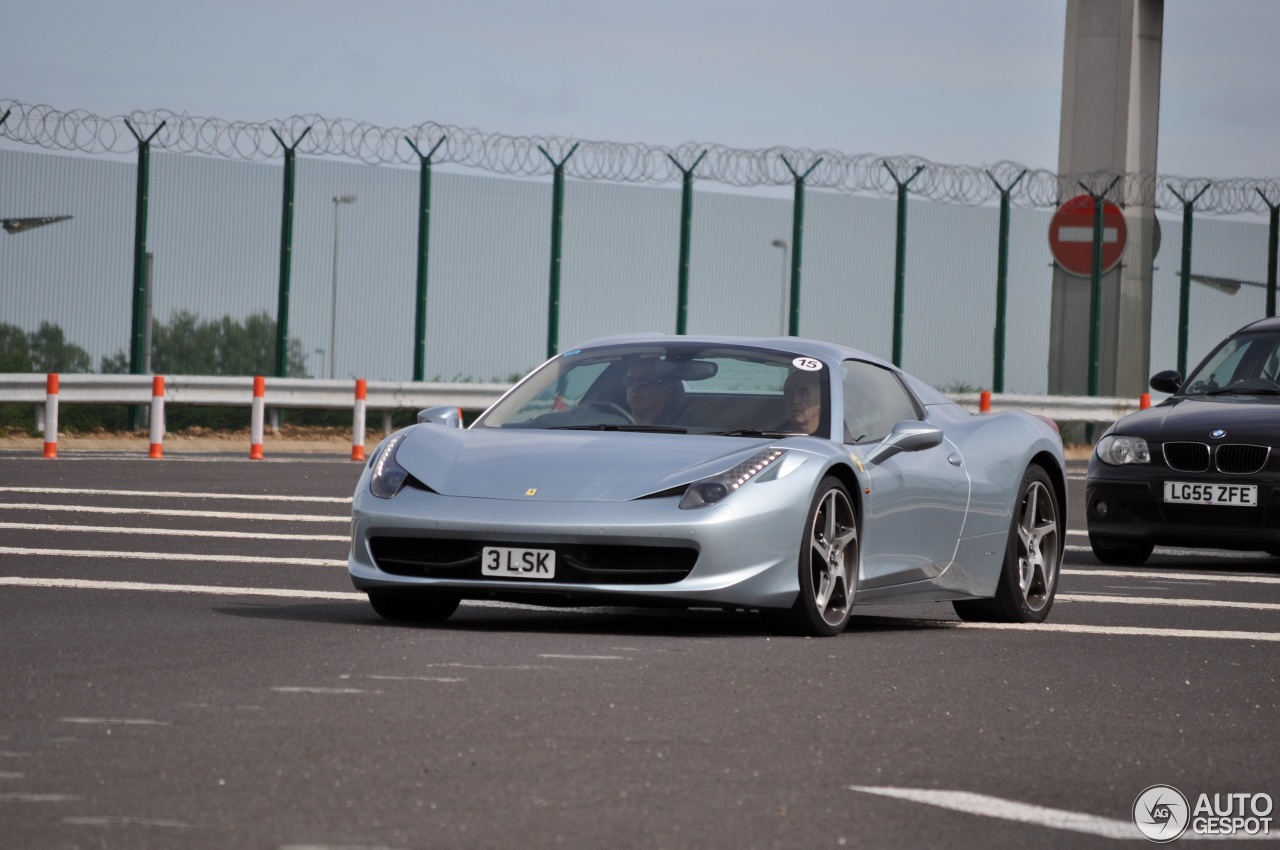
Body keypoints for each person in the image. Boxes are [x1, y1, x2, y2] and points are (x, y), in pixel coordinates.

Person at [623, 358, 686, 425]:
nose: (634, 387)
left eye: (644, 380)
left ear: (665, 390)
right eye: (629, 381)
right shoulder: (613, 424)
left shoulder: (684, 426)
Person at [781, 369, 823, 434]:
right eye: (789, 393)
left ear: (820, 400)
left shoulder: (837, 436)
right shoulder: (771, 436)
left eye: (803, 393)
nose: (794, 400)